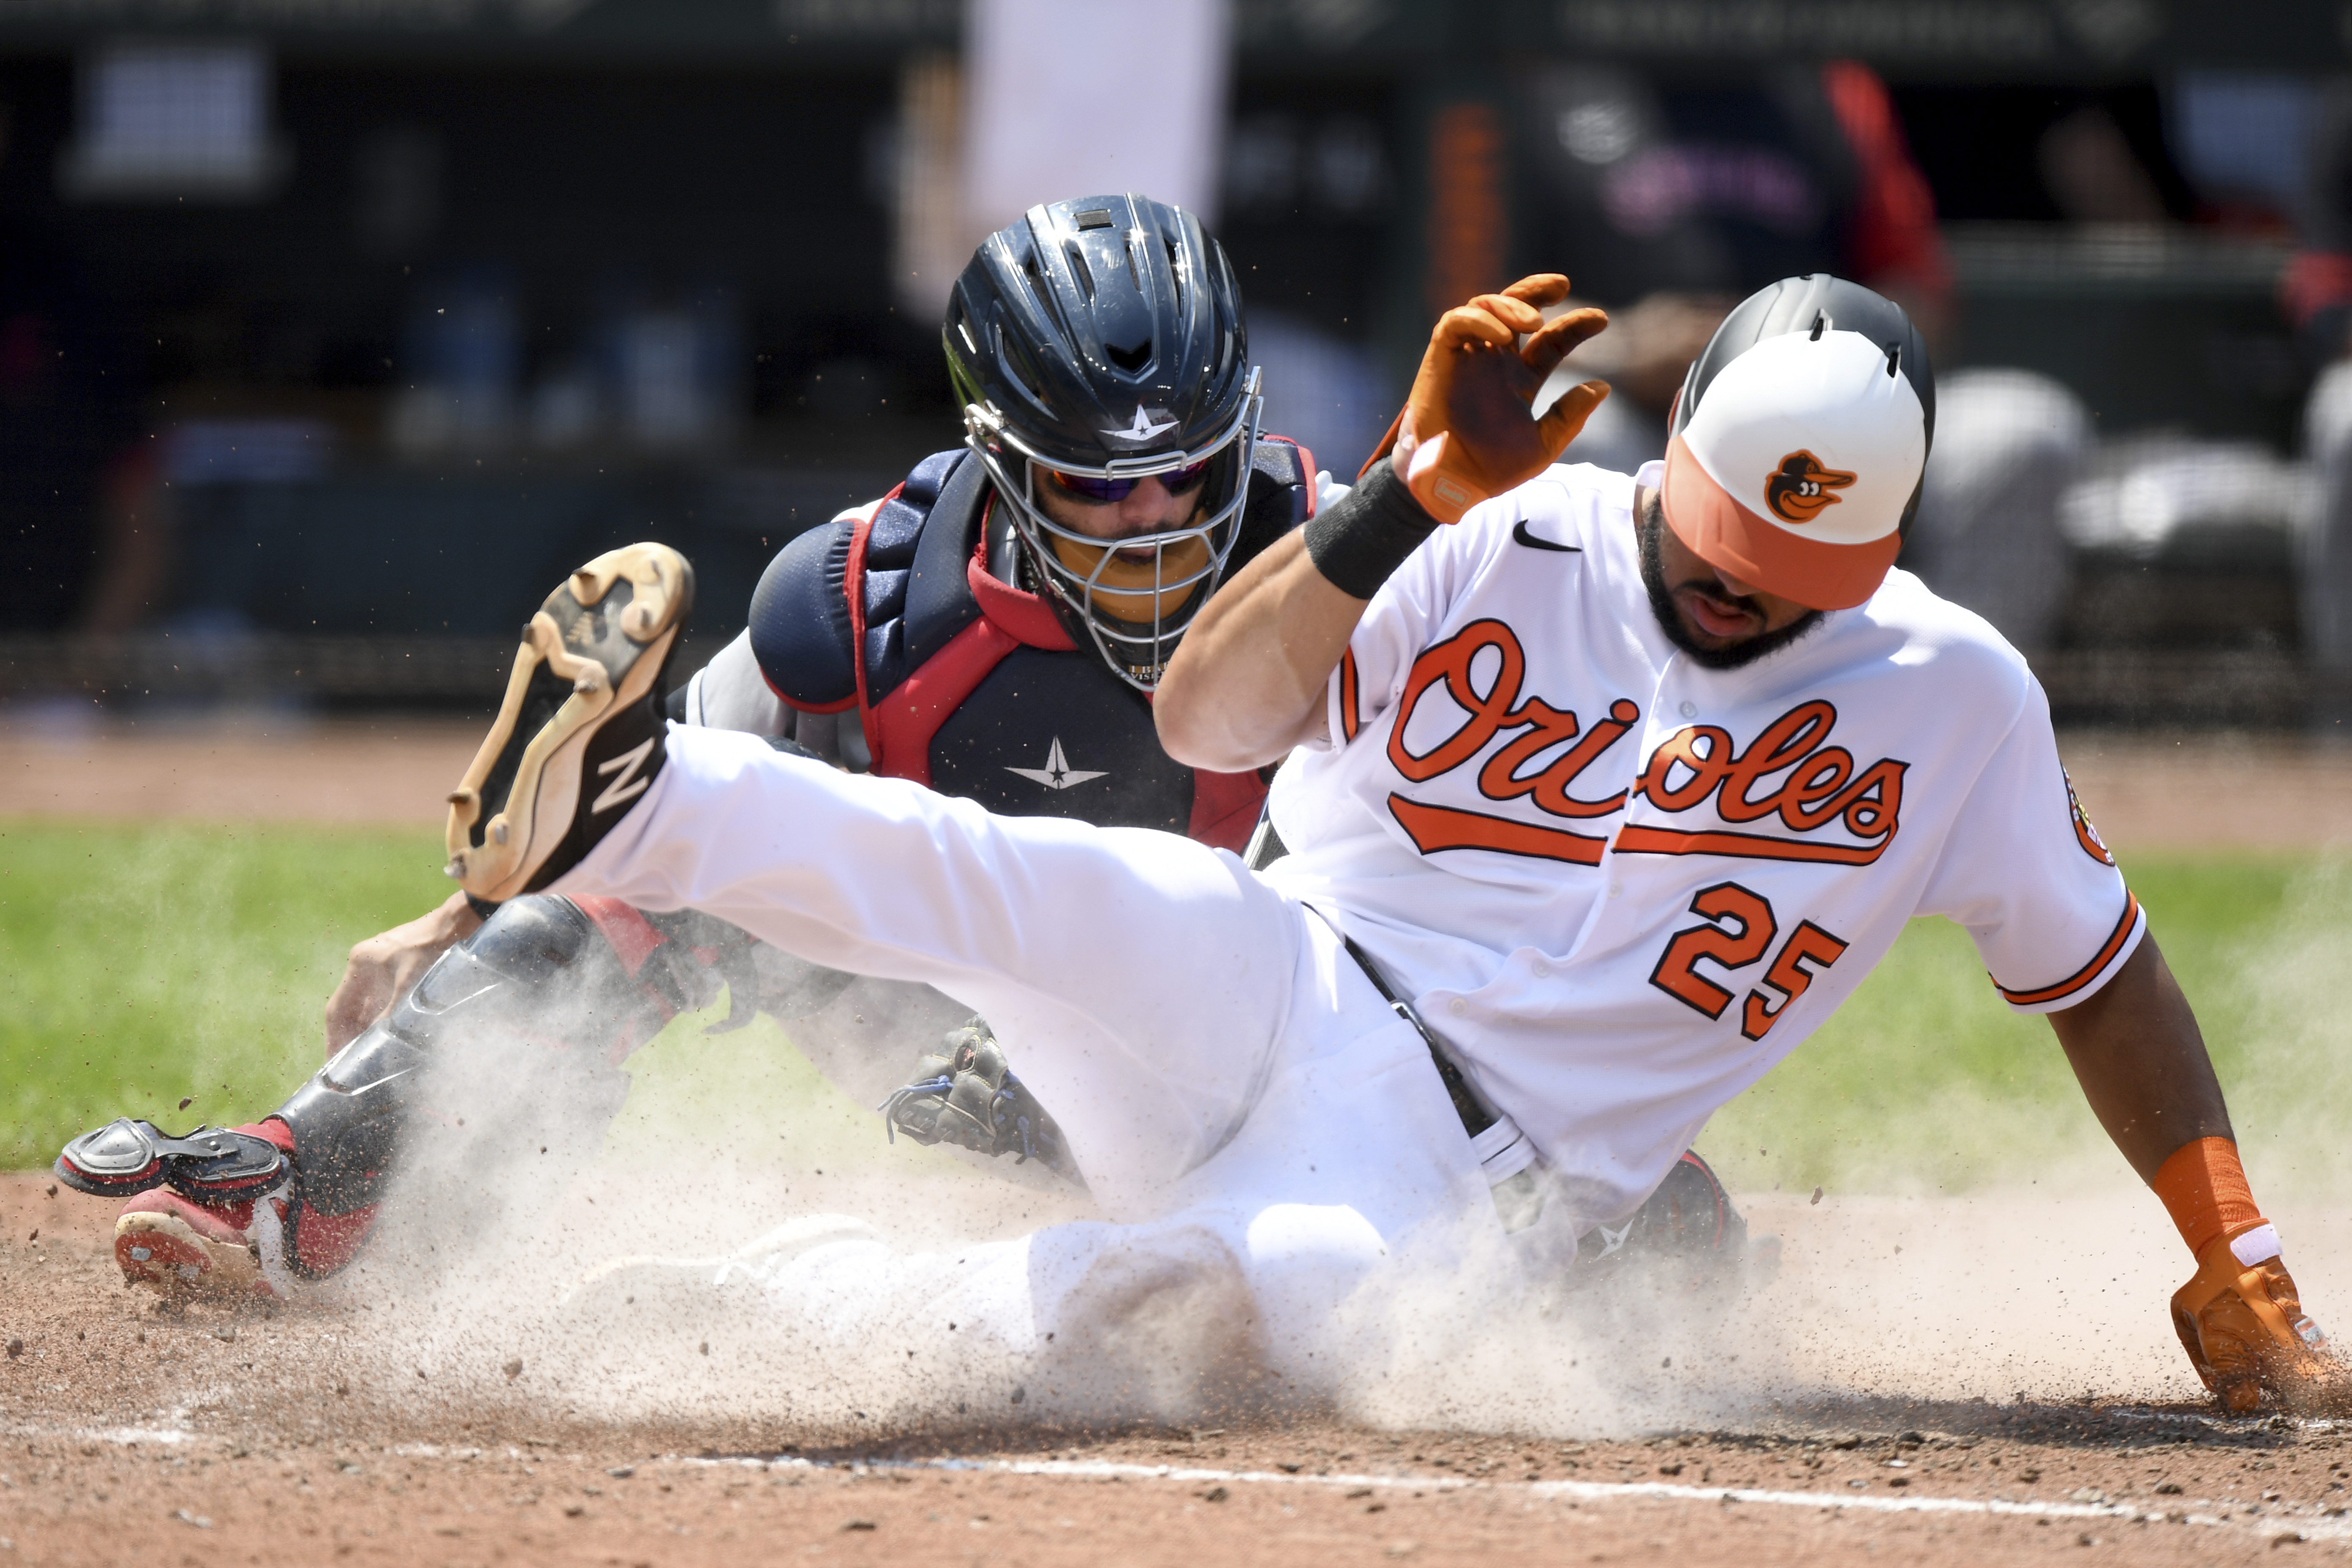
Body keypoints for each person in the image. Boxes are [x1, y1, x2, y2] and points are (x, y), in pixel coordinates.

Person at [353, 270, 2338, 1417]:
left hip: (1471, 1184)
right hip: (1283, 969)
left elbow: (2102, 974)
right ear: (1680, 458)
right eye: (1720, 562)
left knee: (1202, 1311)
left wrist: (2235, 1247)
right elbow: (1209, 721)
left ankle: (724, 1313)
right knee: (1020, 891)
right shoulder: (1494, 523)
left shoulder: (1956, 693)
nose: (1740, 611)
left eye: (1796, 589)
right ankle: (643, 794)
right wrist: (1398, 495)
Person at [51, 192, 1323, 1298]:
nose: (1150, 519)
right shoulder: (869, 604)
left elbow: (1432, 882)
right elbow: (654, 808)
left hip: (1263, 1044)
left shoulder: (1355, 570)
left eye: (1189, 477)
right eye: (1095, 484)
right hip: (946, 1052)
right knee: (625, 898)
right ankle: (323, 1189)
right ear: (999, 456)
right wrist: (466, 932)